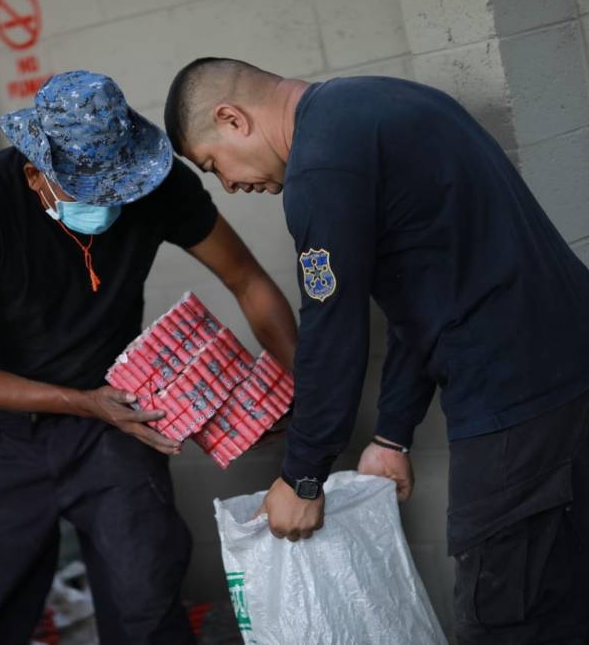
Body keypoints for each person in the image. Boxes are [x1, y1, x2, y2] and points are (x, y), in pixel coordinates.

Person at [164, 57, 589, 643]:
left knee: (504, 616)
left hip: (514, 403)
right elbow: (426, 297)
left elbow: (333, 328)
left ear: (232, 118)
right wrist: (392, 434)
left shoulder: (320, 169)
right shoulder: (384, 102)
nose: (232, 185)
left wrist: (303, 475)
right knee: (567, 592)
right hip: (568, 369)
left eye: (215, 166)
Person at [0, 69, 297, 644]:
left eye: (119, 192)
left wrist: (297, 385)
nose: (110, 205)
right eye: (91, 194)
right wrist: (83, 403)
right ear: (36, 176)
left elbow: (246, 279)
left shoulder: (154, 185)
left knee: (147, 602)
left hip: (111, 424)